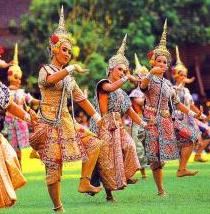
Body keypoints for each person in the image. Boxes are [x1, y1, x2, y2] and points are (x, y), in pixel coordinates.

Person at [37, 6, 102, 212]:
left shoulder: (68, 77)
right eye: (64, 50)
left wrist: (97, 116)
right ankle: (58, 207)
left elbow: (81, 99)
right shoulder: (46, 70)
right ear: (55, 49)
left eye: (69, 52)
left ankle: (84, 182)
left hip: (67, 122)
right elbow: (49, 81)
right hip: (48, 122)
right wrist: (70, 69)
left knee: (94, 143)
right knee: (54, 167)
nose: (67, 54)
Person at [140, 20, 201, 196]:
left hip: (167, 120)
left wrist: (194, 114)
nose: (161, 64)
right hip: (151, 121)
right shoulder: (149, 78)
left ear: (167, 66)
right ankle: (161, 190)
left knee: (191, 136)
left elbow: (177, 103)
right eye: (158, 61)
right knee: (156, 158)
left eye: (164, 62)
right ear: (153, 62)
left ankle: (182, 168)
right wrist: (150, 73)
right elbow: (143, 87)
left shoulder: (167, 84)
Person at [90, 34, 148, 202]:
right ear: (110, 69)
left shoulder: (122, 92)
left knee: (130, 146)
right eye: (119, 70)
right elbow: (111, 87)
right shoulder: (103, 84)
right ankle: (109, 194)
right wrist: (127, 78)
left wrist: (144, 123)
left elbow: (130, 112)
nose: (122, 73)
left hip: (118, 126)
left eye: (124, 70)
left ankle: (127, 175)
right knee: (107, 162)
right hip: (103, 126)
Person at [0, 56, 36, 208]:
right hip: (8, 127)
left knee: (12, 156)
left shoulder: (2, 89)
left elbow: (10, 106)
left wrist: (29, 117)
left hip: (12, 128)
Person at [3, 44, 40, 167]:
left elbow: (32, 100)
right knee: (11, 149)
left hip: (20, 122)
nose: (19, 81)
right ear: (11, 77)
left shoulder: (21, 92)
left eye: (20, 79)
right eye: (16, 78)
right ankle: (15, 171)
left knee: (19, 150)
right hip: (8, 123)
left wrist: (44, 101)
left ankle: (20, 170)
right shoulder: (4, 92)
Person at [172, 46, 208, 164]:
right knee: (191, 139)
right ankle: (182, 164)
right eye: (181, 75)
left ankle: (197, 155)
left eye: (185, 75)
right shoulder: (172, 89)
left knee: (207, 132)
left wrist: (201, 115)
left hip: (190, 117)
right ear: (175, 75)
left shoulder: (186, 91)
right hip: (178, 118)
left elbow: (191, 105)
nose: (184, 77)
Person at [130, 54, 149, 179]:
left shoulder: (147, 91)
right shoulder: (135, 93)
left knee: (149, 145)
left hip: (147, 120)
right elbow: (141, 102)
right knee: (139, 147)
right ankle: (142, 173)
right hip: (138, 121)